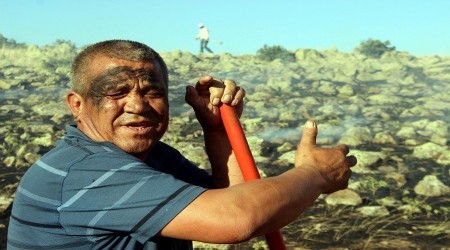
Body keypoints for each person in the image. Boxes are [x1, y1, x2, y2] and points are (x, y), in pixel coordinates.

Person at [7, 39, 357, 249]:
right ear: (77, 104)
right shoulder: (83, 172)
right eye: (117, 92)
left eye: (152, 91)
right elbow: (238, 220)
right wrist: (315, 174)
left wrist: (218, 131)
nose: (138, 105)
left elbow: (240, 198)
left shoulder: (154, 157)